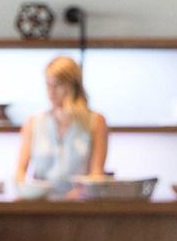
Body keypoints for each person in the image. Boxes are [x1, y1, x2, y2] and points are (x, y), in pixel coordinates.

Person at [14, 55, 109, 192]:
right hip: (41, 204)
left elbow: (96, 173)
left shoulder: (95, 121)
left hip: (79, 205)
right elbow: (20, 172)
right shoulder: (34, 122)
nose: (51, 92)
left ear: (73, 86)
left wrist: (76, 196)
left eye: (57, 85)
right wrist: (25, 192)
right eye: (48, 85)